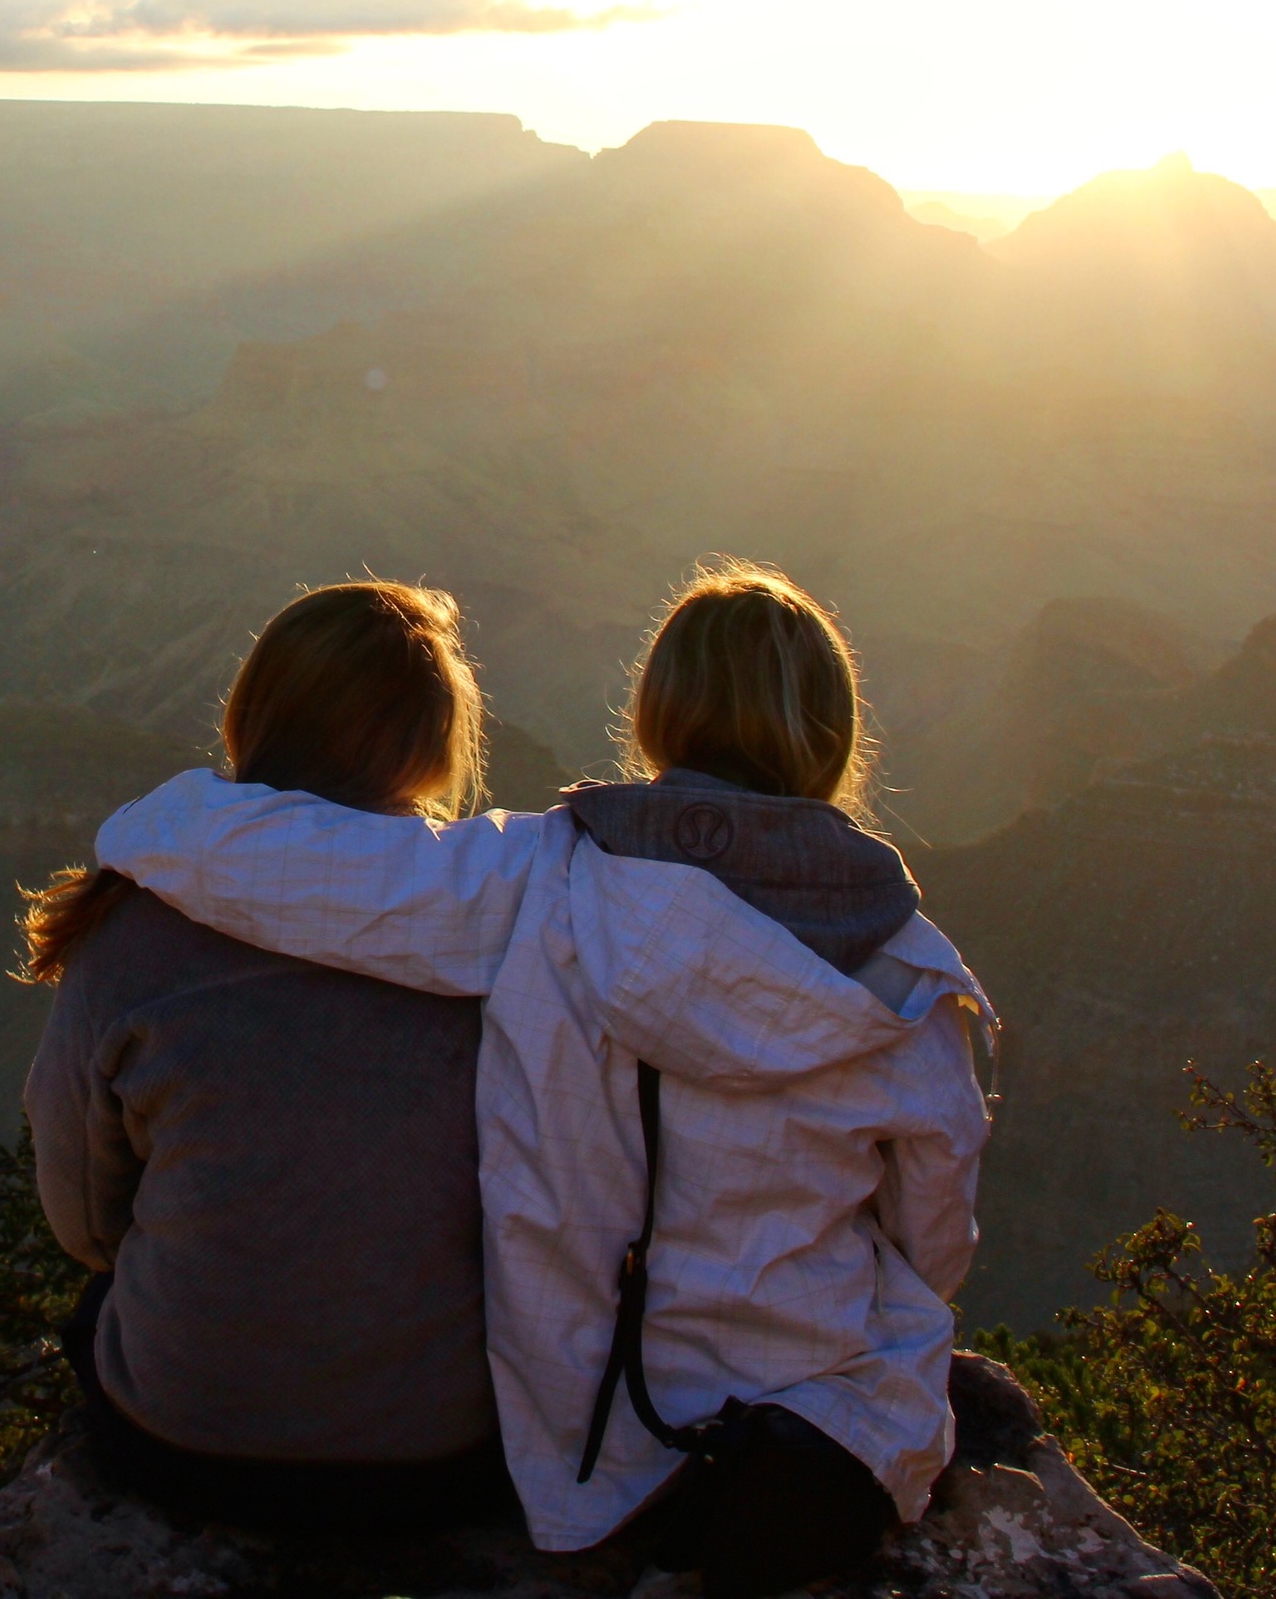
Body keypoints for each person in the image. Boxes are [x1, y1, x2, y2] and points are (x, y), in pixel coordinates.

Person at [94, 561, 994, 1599]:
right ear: (832, 738)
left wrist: (146, 830)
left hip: (592, 1422)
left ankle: (694, 1465)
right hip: (817, 1383)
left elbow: (309, 869)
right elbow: (936, 1243)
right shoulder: (914, 973)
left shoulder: (544, 880)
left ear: (658, 716)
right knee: (891, 1337)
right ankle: (802, 1446)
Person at [20, 581, 508, 1533]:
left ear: (259, 712)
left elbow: (82, 1217)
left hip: (184, 1445)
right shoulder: (498, 931)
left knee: (98, 1305)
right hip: (439, 1455)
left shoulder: (136, 922)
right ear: (431, 743)